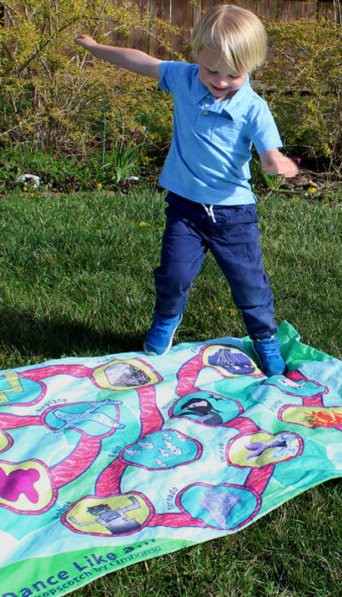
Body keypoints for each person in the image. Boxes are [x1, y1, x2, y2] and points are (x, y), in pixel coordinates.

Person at [75, 4, 298, 375]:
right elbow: (140, 61)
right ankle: (166, 319)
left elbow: (268, 148)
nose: (221, 81)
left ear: (252, 67)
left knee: (249, 285)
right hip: (185, 208)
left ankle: (264, 337)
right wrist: (97, 48)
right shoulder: (183, 78)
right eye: (212, 70)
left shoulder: (255, 109)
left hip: (233, 214)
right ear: (196, 54)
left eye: (234, 74)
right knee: (173, 274)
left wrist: (274, 161)